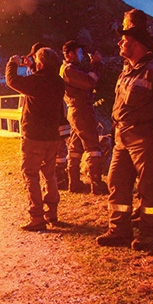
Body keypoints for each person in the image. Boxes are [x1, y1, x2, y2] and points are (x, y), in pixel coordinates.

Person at [96, 20, 153, 250]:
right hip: (122, 138)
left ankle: (149, 233)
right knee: (116, 182)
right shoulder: (127, 70)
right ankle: (119, 230)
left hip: (145, 139)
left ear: (138, 44)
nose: (119, 42)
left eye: (124, 40)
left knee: (149, 186)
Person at [6, 47, 66, 231]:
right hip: (52, 137)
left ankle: (37, 217)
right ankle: (52, 213)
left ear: (40, 63)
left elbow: (12, 81)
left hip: (34, 137)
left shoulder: (36, 82)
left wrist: (13, 63)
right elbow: (41, 80)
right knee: (50, 175)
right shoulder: (58, 82)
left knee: (31, 175)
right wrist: (33, 66)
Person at [60, 40, 108, 195]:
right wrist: (96, 64)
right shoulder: (68, 69)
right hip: (81, 110)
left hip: (75, 111)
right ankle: (97, 184)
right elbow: (89, 82)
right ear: (70, 54)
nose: (81, 55)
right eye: (79, 52)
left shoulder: (68, 69)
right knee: (93, 146)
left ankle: (74, 184)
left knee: (75, 147)